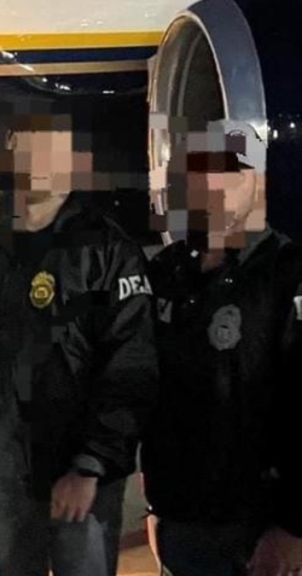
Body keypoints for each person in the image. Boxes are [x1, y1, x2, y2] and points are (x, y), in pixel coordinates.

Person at [0, 102, 158, 576]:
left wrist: (92, 463)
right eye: (29, 149)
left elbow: (131, 364)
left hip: (77, 478)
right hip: (4, 475)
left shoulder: (108, 250)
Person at [142, 119, 302, 576]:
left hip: (261, 526)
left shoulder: (289, 274)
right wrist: (156, 504)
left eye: (228, 173)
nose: (211, 188)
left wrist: (293, 527)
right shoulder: (167, 274)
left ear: (259, 182)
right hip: (181, 519)